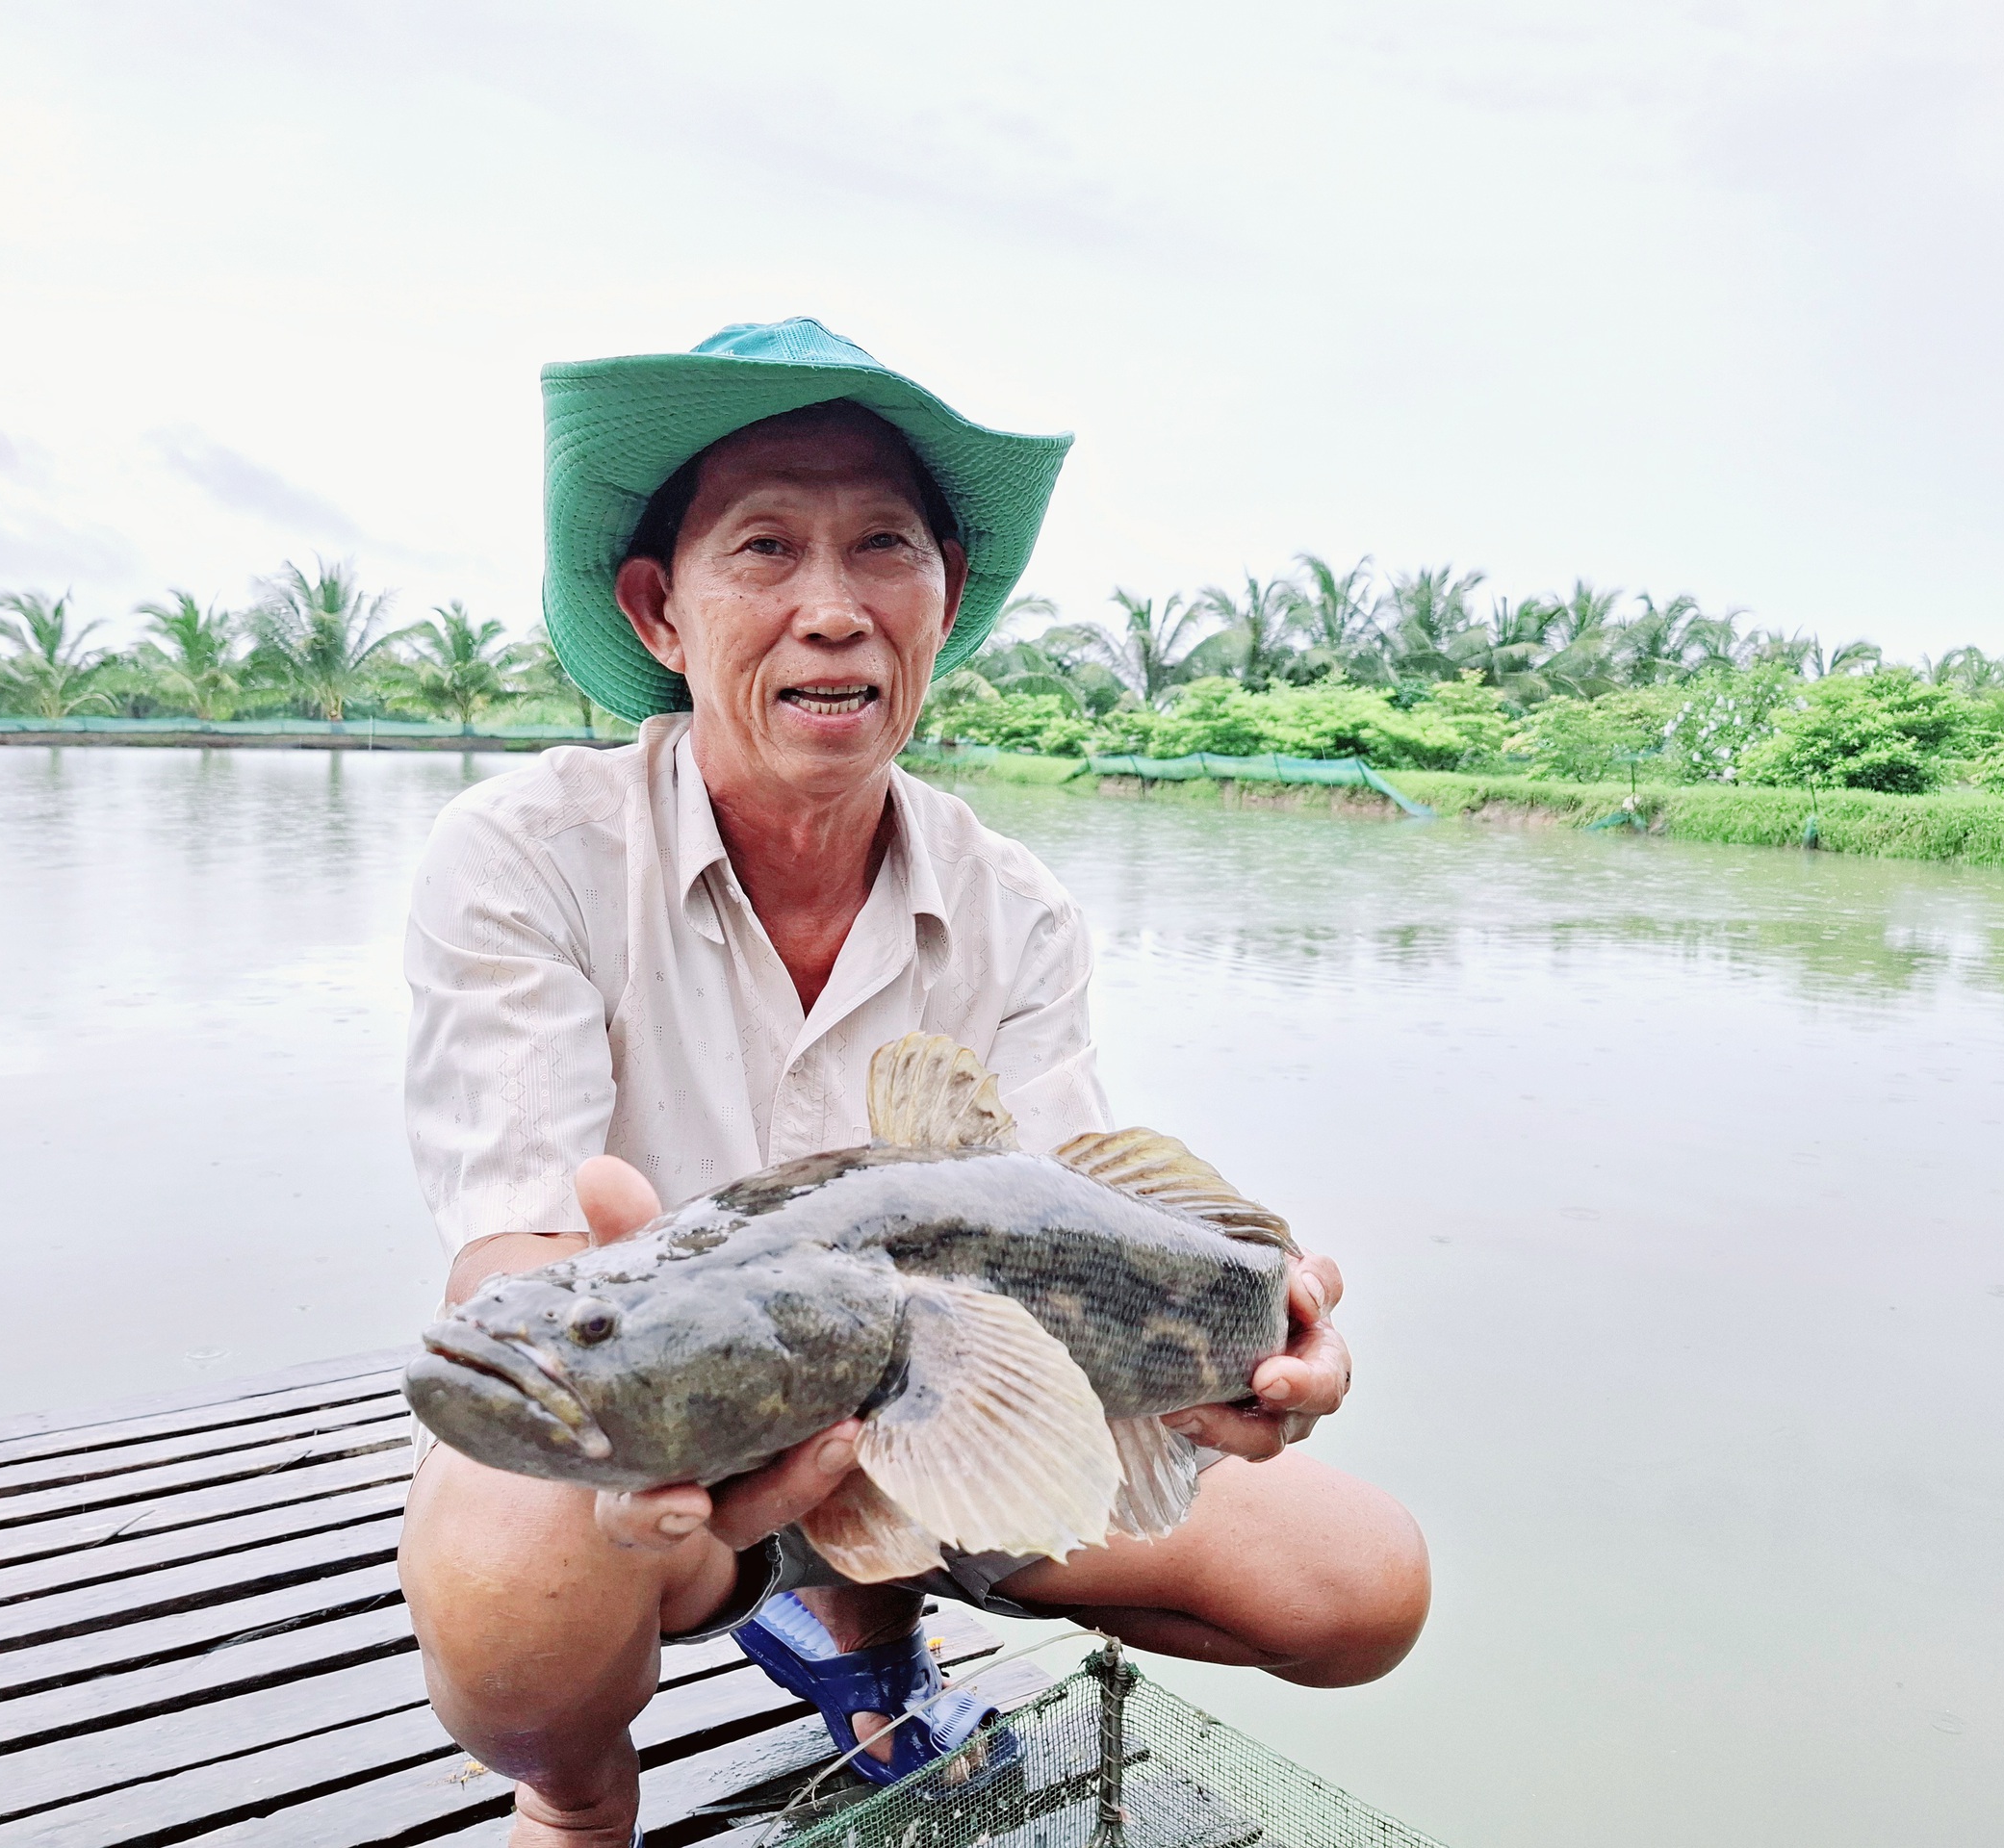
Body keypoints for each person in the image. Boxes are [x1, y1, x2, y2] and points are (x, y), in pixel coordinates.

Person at [396, 319, 1429, 1845]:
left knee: (1361, 1590)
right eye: (763, 548)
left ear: (943, 601)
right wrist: (647, 1367)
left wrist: (1272, 1354)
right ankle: (582, 1800)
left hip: (956, 1420)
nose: (830, 611)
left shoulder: (1016, 903)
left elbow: (1079, 1213)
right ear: (658, 610)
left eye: (884, 547)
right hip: (684, 1466)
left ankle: (865, 1622)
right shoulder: (521, 855)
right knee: (514, 1599)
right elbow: (519, 1252)